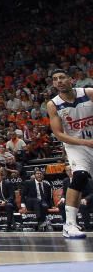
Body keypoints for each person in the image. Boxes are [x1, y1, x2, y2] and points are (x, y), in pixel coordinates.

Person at [46, 68, 93, 239]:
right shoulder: (53, 104)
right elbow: (59, 134)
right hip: (76, 145)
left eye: (62, 77)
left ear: (71, 80)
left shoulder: (88, 93)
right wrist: (85, 142)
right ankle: (70, 225)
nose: (59, 81)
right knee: (79, 176)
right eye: (55, 79)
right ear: (53, 84)